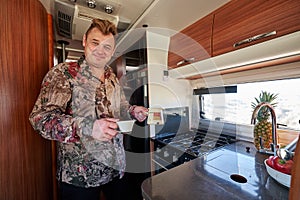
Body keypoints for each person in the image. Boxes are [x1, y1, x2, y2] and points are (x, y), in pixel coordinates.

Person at [29, 18, 148, 200]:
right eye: (95, 43)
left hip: (116, 169)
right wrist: (88, 127)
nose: (101, 51)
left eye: (107, 47)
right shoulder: (62, 74)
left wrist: (132, 111)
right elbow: (41, 118)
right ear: (84, 41)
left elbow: (121, 106)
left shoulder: (112, 77)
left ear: (112, 51)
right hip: (80, 177)